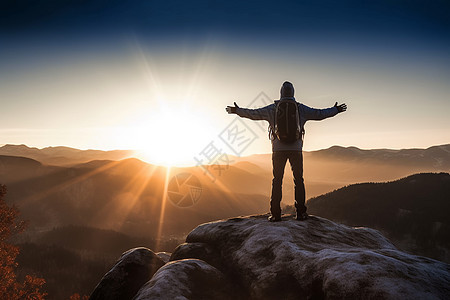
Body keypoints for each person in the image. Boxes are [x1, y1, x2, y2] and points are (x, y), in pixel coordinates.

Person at [226, 81, 347, 222]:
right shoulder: (300, 108)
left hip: (278, 150)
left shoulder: (273, 108)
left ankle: (276, 214)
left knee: (277, 181)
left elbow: (254, 114)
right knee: (298, 180)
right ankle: (301, 213)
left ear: (281, 93)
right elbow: (319, 114)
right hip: (296, 150)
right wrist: (336, 110)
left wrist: (238, 111)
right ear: (293, 93)